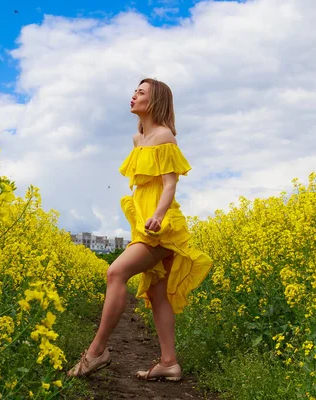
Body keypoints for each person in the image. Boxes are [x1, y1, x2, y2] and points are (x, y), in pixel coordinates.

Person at [66, 78, 213, 381]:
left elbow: (170, 184)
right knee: (158, 293)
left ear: (155, 100)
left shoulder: (164, 136)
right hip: (143, 225)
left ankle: (96, 352)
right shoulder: (138, 139)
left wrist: (158, 216)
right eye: (134, 91)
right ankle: (169, 362)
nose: (134, 95)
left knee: (115, 273)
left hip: (160, 227)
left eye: (141, 92)